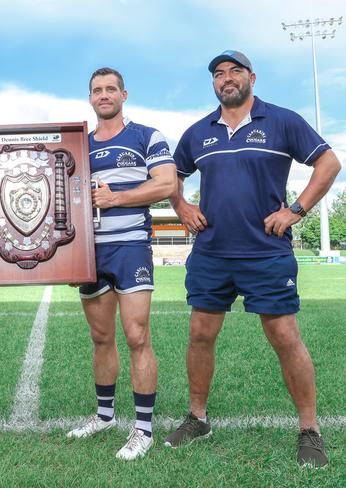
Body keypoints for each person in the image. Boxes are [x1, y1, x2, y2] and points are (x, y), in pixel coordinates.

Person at [165, 50, 341, 468]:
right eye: (219, 74)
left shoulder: (281, 121)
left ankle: (310, 429)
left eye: (235, 72)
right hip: (211, 253)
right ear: (213, 84)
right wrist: (181, 208)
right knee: (200, 335)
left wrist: (295, 210)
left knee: (285, 338)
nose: (227, 79)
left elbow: (329, 162)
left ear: (251, 78)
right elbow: (170, 176)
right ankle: (198, 418)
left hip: (265, 253)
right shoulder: (198, 132)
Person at [66, 67, 177, 461]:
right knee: (100, 337)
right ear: (90, 98)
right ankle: (104, 416)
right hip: (89, 252)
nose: (104, 95)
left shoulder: (147, 136)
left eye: (111, 88)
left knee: (136, 336)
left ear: (124, 94)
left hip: (130, 246)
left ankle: (143, 429)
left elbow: (167, 184)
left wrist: (116, 198)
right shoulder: (78, 144)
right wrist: (63, 254)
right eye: (97, 90)